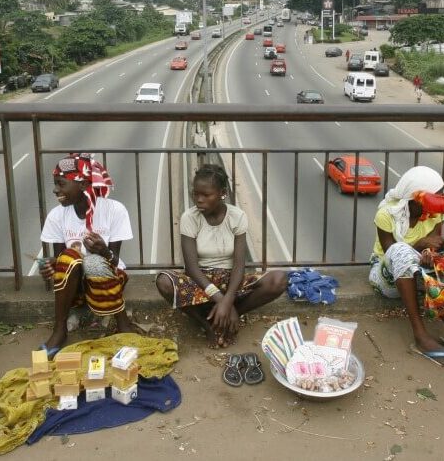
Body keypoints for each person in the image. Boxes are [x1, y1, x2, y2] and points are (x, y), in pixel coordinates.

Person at [156, 164, 287, 348]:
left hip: (230, 279)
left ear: (222, 193)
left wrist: (229, 300)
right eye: (196, 194)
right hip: (200, 281)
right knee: (163, 281)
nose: (199, 200)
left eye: (206, 195)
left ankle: (227, 315)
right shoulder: (189, 218)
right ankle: (207, 324)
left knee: (278, 280)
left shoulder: (237, 217)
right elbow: (191, 268)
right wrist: (221, 300)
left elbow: (239, 264)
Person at [38, 153, 134, 358]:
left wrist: (104, 250)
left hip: (107, 285)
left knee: (93, 261)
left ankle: (122, 322)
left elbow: (115, 261)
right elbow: (61, 261)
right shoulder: (57, 215)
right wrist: (49, 266)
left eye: (61, 184)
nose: (56, 190)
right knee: (69, 257)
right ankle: (59, 330)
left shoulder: (114, 210)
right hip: (74, 291)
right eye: (55, 184)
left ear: (82, 185)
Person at [368, 166, 444, 368]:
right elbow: (391, 253)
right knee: (401, 251)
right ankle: (420, 336)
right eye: (437, 195)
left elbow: (433, 244)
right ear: (418, 197)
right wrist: (419, 246)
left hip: (419, 271)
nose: (442, 198)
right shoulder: (387, 214)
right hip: (386, 276)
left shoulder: (436, 214)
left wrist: (431, 252)